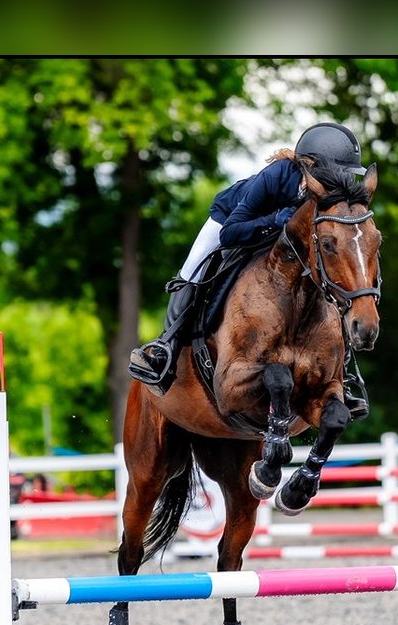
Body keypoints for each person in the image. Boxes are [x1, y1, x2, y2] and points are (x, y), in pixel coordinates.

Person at [128, 122, 372, 418]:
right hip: (231, 221)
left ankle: (342, 376)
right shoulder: (276, 176)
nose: (343, 181)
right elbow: (231, 232)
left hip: (280, 237)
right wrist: (275, 220)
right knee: (192, 273)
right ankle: (166, 347)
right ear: (312, 166)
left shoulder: (327, 199)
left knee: (327, 283)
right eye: (340, 172)